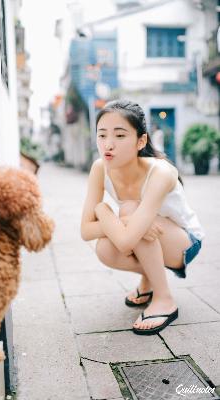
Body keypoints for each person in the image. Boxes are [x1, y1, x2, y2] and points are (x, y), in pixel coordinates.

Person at [80, 100, 204, 336]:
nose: (108, 144)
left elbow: (126, 241)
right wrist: (122, 222)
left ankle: (164, 299)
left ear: (141, 141)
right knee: (105, 248)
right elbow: (86, 230)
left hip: (185, 242)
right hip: (148, 233)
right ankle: (148, 281)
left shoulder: (160, 172)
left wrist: (104, 212)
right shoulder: (99, 168)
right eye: (102, 135)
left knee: (128, 211)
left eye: (119, 135)